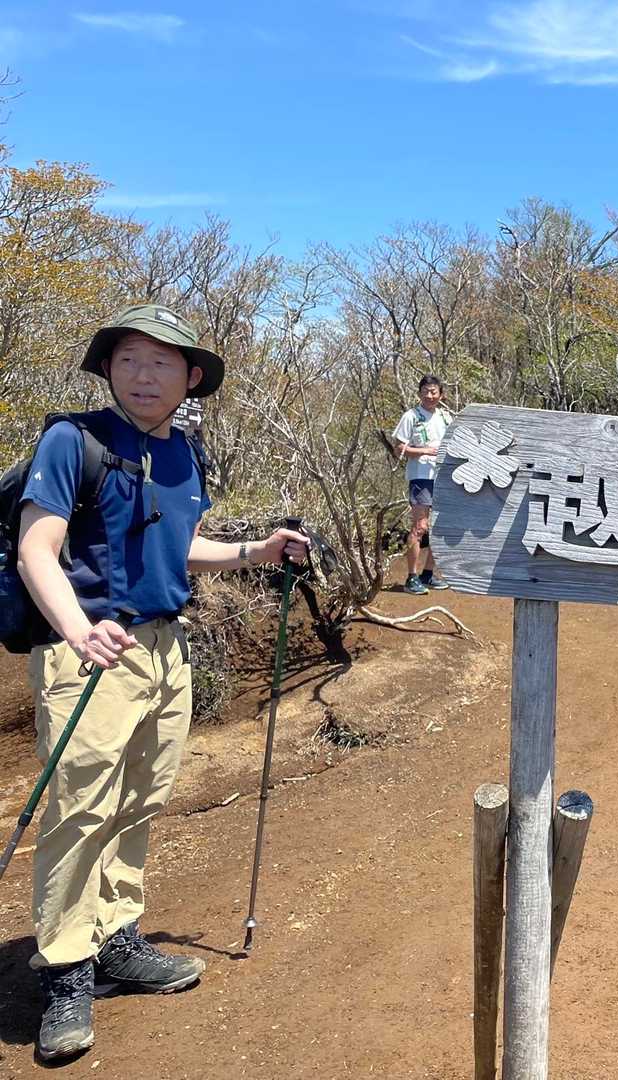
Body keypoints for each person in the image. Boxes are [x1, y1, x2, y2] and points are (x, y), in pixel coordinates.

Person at [15, 303, 309, 1061]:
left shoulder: (184, 453)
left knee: (140, 799)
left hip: (164, 648)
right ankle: (66, 969)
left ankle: (117, 937)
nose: (143, 376)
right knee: (81, 809)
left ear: (190, 377)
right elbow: (36, 550)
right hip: (89, 653)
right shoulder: (71, 440)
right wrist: (79, 629)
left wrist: (255, 551)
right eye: (129, 360)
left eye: (161, 363)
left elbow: (180, 547)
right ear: (108, 369)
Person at [392, 375, 454, 595]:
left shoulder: (446, 416)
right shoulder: (411, 416)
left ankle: (428, 574)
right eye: (425, 391)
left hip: (444, 477)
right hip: (421, 477)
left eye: (434, 391)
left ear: (441, 394)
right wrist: (425, 451)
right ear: (419, 393)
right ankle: (411, 577)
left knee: (441, 527)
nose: (429, 395)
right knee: (420, 527)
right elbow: (399, 448)